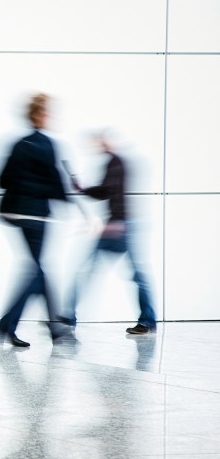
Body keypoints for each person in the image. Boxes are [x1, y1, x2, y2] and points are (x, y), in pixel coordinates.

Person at [60, 130, 157, 335]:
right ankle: (147, 320)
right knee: (133, 274)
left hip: (120, 226)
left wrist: (116, 222)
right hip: (120, 225)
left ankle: (69, 317)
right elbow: (105, 192)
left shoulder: (115, 163)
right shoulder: (114, 163)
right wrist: (83, 189)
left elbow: (110, 192)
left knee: (127, 274)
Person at [0, 93, 71, 348]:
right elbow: (56, 183)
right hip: (36, 216)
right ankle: (8, 324)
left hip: (16, 213)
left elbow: (1, 179)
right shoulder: (47, 145)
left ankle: (54, 327)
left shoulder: (19, 144)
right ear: (40, 114)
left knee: (38, 270)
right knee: (37, 272)